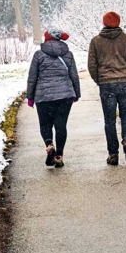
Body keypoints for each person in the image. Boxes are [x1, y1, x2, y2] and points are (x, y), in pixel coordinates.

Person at [87, 11, 126, 166]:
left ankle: (113, 154)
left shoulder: (96, 42)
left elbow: (92, 65)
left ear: (104, 23)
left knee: (109, 120)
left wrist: (99, 80)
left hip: (107, 84)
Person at [27, 28, 81, 168]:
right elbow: (74, 75)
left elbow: (32, 77)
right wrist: (76, 93)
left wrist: (30, 96)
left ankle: (49, 145)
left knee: (45, 124)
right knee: (61, 125)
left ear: (47, 39)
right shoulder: (68, 54)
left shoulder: (38, 55)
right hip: (65, 96)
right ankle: (59, 156)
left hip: (43, 96)